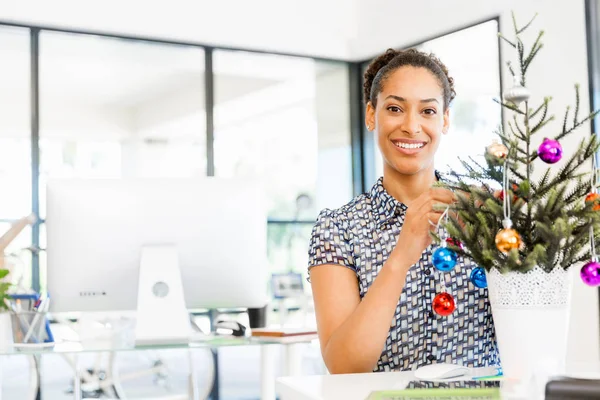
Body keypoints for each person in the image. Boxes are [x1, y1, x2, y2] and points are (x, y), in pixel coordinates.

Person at [307, 48, 499, 374]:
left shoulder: (484, 214)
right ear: (371, 115)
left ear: (445, 120)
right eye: (395, 108)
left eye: (427, 111)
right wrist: (401, 256)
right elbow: (344, 365)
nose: (411, 127)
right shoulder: (337, 229)